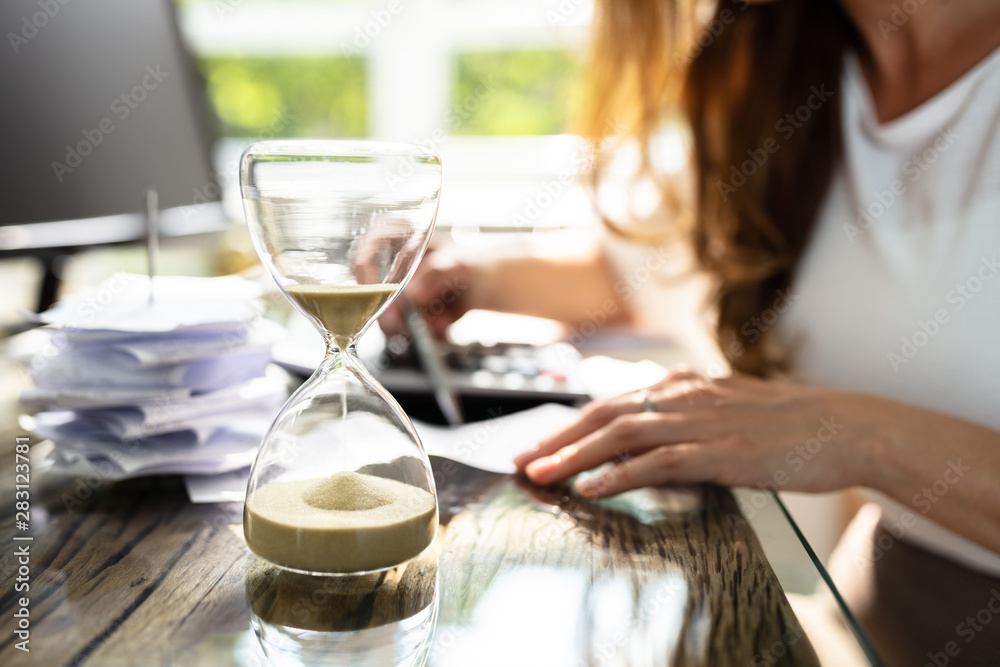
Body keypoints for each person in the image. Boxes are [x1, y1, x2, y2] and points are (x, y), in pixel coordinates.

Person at [385, 0, 1000, 662]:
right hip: (862, 619)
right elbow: (646, 267)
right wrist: (471, 277)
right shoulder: (792, 63)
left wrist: (863, 437)